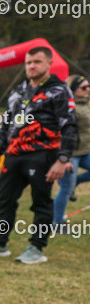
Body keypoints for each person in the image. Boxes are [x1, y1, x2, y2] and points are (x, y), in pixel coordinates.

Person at [0, 47, 77, 264]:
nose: (31, 66)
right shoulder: (19, 91)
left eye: (37, 62)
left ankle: (36, 247)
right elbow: (7, 123)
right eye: (28, 63)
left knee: (41, 203)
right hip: (13, 155)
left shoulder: (59, 91)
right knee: (5, 201)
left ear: (48, 64)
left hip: (43, 155)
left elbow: (69, 126)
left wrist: (62, 159)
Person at [53, 74, 90, 224]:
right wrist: (63, 156)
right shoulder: (68, 107)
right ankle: (57, 222)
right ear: (73, 90)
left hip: (86, 151)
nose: (88, 89)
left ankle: (76, 182)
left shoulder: (85, 104)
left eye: (89, 86)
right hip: (71, 154)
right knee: (66, 189)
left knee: (70, 184)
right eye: (84, 87)